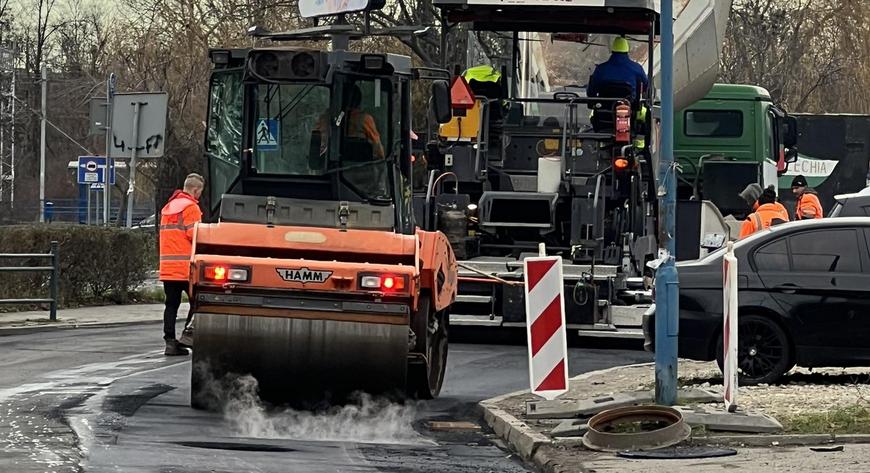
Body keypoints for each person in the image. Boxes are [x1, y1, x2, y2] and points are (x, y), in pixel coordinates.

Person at [158, 173, 204, 356]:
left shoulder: (168, 207)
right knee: (198, 302)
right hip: (186, 268)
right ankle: (187, 335)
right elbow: (196, 236)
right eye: (200, 192)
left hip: (168, 268)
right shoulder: (191, 207)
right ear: (195, 190)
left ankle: (170, 342)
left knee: (171, 305)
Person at [587, 37, 649, 102]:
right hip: (630, 107)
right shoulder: (637, 68)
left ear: (612, 50)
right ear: (627, 50)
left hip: (604, 108)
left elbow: (591, 92)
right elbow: (646, 87)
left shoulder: (600, 69)